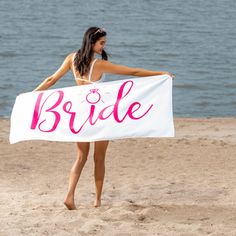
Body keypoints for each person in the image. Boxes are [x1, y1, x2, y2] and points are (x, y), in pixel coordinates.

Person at [34, 26, 174, 210]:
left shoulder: (71, 58)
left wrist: (31, 95)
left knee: (80, 157)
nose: (103, 46)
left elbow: (51, 79)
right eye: (101, 43)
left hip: (79, 115)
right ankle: (97, 201)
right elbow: (133, 72)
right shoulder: (99, 64)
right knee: (99, 158)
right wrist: (160, 74)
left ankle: (70, 196)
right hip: (99, 116)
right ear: (92, 42)